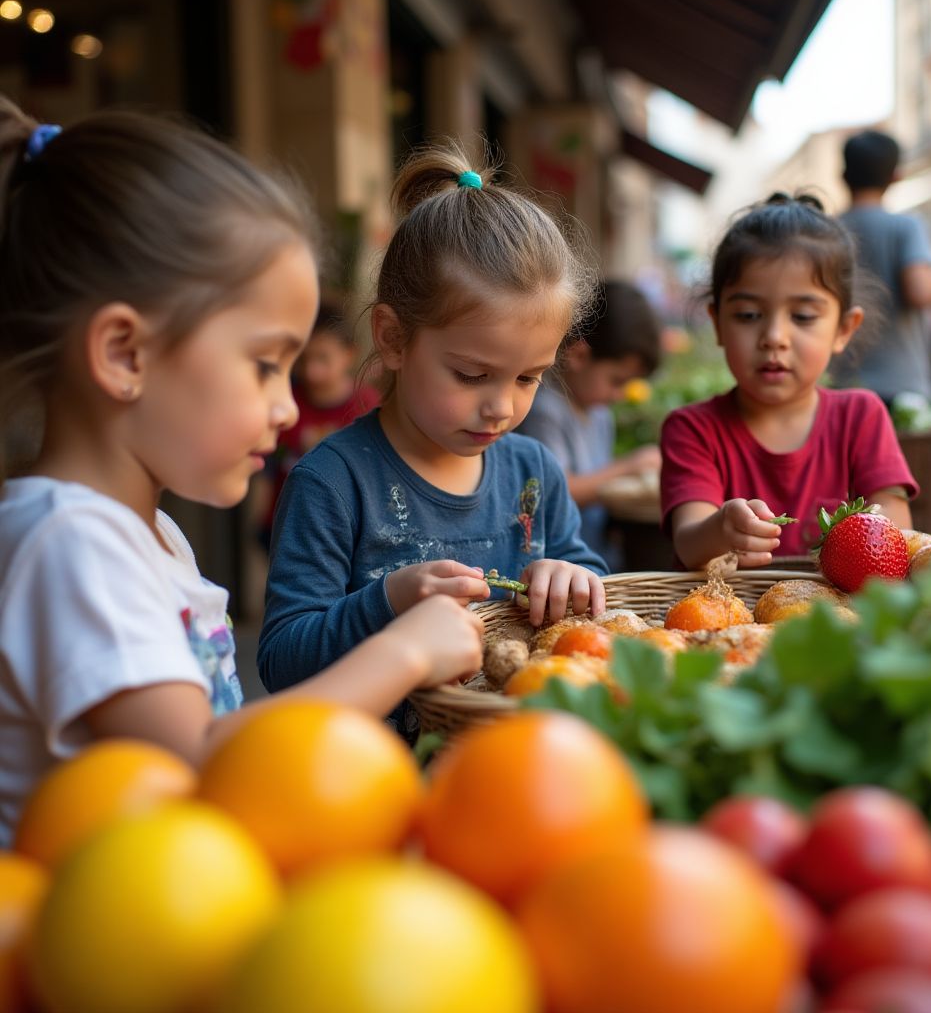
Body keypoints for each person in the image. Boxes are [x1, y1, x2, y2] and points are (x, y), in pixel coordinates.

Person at [0, 98, 484, 842]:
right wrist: (403, 652)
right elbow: (199, 765)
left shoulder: (146, 535)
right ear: (125, 354)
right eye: (264, 366)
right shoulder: (73, 544)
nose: (287, 410)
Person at [258, 145, 608, 727]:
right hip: (373, 778)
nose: (501, 406)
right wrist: (387, 601)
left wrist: (575, 577)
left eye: (529, 378)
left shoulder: (533, 471)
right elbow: (282, 662)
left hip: (519, 763)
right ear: (393, 338)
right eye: (472, 375)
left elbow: (583, 576)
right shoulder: (334, 483)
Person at [660, 193, 918, 570]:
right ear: (717, 324)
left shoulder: (861, 417)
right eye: (748, 315)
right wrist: (722, 529)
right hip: (725, 623)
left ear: (844, 328)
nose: (774, 336)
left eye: (802, 316)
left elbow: (895, 534)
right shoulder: (693, 429)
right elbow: (689, 541)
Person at [516, 280, 661, 562]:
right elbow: (557, 489)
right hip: (555, 562)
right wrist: (630, 467)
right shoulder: (545, 408)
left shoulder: (598, 413)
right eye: (616, 381)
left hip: (593, 553)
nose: (621, 394)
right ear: (579, 354)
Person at [255, 294, 379, 551]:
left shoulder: (366, 405)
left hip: (346, 528)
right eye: (303, 359)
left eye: (323, 359)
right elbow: (267, 466)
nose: (311, 370)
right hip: (286, 523)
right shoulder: (286, 401)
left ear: (349, 354)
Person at [829, 129, 931, 404]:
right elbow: (920, 292)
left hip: (838, 384)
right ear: (897, 176)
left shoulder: (826, 231)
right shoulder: (906, 227)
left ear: (843, 176)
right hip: (900, 384)